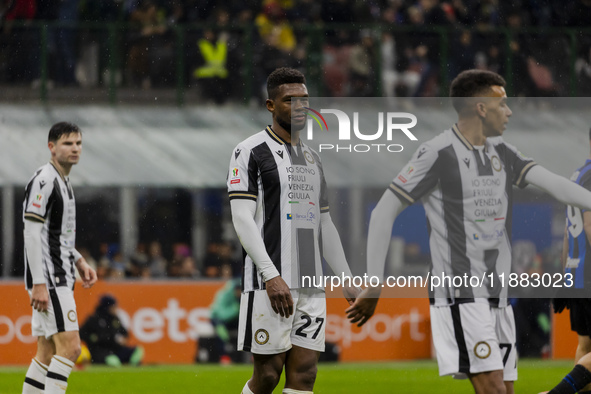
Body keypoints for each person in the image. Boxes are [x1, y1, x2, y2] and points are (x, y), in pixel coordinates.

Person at [346, 69, 591, 394]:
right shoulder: (436, 153)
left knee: (504, 389)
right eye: (502, 103)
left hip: (498, 296)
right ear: (480, 107)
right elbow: (383, 211)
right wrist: (375, 283)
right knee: (493, 389)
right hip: (460, 292)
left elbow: (556, 185)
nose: (509, 110)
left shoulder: (502, 151)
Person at [228, 67, 357, 394]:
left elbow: (324, 223)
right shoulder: (250, 151)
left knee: (305, 375)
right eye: (290, 100)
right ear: (271, 105)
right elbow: (242, 218)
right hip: (269, 280)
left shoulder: (313, 158)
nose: (300, 106)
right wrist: (271, 276)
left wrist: (346, 277)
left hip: (311, 284)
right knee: (268, 375)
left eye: (304, 99)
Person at [22, 122, 98, 394]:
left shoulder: (63, 180)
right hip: (51, 277)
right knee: (72, 348)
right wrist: (39, 283)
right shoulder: (45, 180)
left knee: (47, 351)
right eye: (68, 143)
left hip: (58, 272)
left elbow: (56, 234)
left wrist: (78, 260)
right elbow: (31, 231)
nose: (75, 148)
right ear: (51, 147)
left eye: (78, 143)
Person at [545, 128, 591, 394]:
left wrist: (565, 275)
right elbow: (588, 226)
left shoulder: (577, 175)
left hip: (578, 274)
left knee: (585, 347)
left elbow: (566, 232)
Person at [79, 295, 144, 367]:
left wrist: (123, 339)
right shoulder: (94, 319)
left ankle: (132, 369)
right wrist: (94, 339)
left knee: (137, 351)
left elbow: (125, 332)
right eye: (114, 307)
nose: (116, 309)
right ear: (107, 308)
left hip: (116, 349)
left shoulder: (115, 319)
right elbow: (82, 334)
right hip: (100, 351)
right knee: (113, 361)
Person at [209, 278, 242, 364]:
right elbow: (221, 316)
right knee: (221, 331)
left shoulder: (240, 297)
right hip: (218, 320)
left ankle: (244, 356)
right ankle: (224, 356)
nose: (239, 292)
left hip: (231, 320)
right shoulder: (223, 295)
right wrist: (236, 309)